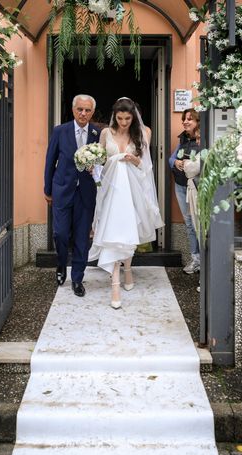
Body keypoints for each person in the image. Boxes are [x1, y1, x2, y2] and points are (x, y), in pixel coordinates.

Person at [88, 97, 164, 309]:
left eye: (127, 118)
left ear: (133, 116)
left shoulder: (143, 133)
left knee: (128, 232)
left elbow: (146, 166)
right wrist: (91, 163)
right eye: (120, 118)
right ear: (115, 116)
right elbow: (99, 159)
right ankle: (115, 284)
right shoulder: (106, 133)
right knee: (113, 233)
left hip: (132, 190)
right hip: (111, 190)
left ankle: (128, 270)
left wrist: (133, 159)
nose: (123, 122)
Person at [44, 94, 101, 297]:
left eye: (87, 110)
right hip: (62, 190)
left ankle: (77, 278)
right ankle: (61, 264)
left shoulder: (97, 133)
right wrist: (47, 190)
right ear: (73, 109)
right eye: (80, 109)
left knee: (81, 238)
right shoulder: (60, 131)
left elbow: (103, 163)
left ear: (92, 112)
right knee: (60, 233)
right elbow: (50, 161)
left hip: (85, 194)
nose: (83, 113)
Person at [169, 108, 201, 274]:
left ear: (198, 122)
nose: (185, 122)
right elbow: (171, 159)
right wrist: (176, 163)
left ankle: (205, 259)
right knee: (189, 224)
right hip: (181, 187)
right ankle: (195, 259)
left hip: (198, 188)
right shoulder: (183, 139)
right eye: (184, 119)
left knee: (200, 224)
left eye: (190, 119)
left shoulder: (203, 140)